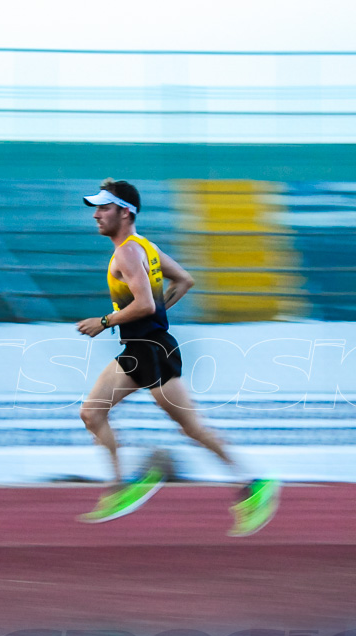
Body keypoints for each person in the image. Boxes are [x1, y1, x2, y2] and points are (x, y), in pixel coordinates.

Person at [75, 178, 279, 536]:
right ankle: (122, 487)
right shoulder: (145, 248)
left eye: (104, 208)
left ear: (125, 212)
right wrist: (156, 316)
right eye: (96, 208)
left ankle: (254, 484)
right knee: (92, 413)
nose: (96, 215)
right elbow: (184, 280)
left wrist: (104, 321)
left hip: (154, 351)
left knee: (192, 428)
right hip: (140, 349)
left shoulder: (127, 252)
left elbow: (145, 303)